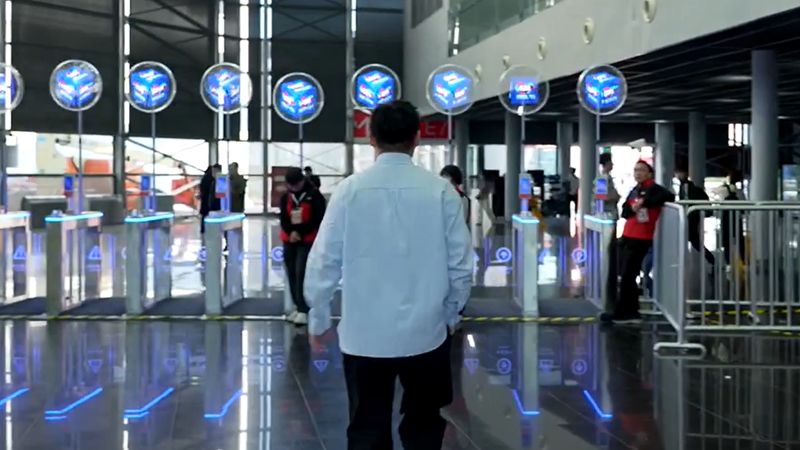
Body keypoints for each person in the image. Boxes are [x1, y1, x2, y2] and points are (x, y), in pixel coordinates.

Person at [303, 100, 473, 449]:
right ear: (417, 138)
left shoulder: (350, 191)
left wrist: (318, 318)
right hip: (427, 332)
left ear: (371, 138)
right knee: (424, 427)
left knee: (366, 428)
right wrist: (452, 312)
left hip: (364, 334)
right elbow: (461, 263)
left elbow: (323, 260)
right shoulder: (441, 191)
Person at [600, 160, 673, 324]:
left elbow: (668, 196)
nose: (637, 173)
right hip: (628, 234)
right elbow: (625, 211)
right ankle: (627, 310)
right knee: (624, 274)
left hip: (641, 237)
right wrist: (634, 208)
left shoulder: (654, 189)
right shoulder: (635, 190)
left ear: (649, 173)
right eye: (635, 170)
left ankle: (627, 313)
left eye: (641, 170)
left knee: (628, 274)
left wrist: (644, 203)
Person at [279, 166, 327, 326]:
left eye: (296, 185)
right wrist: (291, 232)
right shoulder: (286, 197)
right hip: (290, 240)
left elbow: (317, 219)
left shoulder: (315, 196)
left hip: (307, 241)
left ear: (302, 181)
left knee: (302, 274)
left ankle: (305, 309)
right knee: (291, 273)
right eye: (290, 185)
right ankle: (297, 305)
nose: (293, 188)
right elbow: (283, 218)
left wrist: (300, 232)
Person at [675, 165, 715, 265]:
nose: (678, 175)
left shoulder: (685, 186)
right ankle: (712, 261)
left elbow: (685, 200)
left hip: (690, 217)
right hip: (692, 217)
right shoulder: (688, 186)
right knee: (695, 242)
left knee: (693, 241)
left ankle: (712, 261)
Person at [598, 153, 622, 308]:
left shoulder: (606, 178)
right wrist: (615, 197)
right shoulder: (603, 179)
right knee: (609, 247)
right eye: (611, 162)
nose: (612, 165)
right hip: (608, 216)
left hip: (610, 215)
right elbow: (603, 197)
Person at [713, 168, 746, 265]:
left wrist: (723, 184)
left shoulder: (723, 190)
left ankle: (728, 263)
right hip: (737, 218)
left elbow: (714, 191)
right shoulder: (740, 192)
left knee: (727, 242)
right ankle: (743, 261)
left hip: (726, 218)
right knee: (740, 240)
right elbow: (744, 205)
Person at [198, 163, 222, 235]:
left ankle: (203, 229)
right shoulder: (212, 179)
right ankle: (206, 229)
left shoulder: (207, 177)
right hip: (209, 202)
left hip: (206, 201)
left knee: (205, 215)